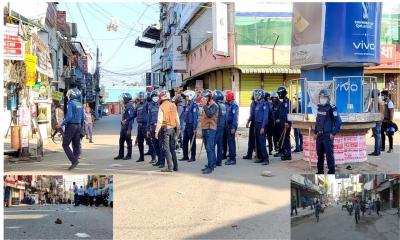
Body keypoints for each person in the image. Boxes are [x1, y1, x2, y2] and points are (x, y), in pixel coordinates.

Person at [314, 89, 342, 174]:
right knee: (320, 155)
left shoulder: (332, 108)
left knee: (329, 155)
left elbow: (338, 122)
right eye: (321, 97)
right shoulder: (319, 108)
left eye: (324, 97)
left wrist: (333, 133)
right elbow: (318, 121)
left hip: (327, 136)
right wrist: (315, 132)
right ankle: (320, 171)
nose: (322, 98)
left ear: (328, 98)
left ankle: (331, 172)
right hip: (319, 136)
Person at [58, 88, 84, 170]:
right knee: (76, 144)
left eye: (69, 94)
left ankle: (74, 161)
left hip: (71, 126)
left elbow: (69, 116)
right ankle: (75, 159)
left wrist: (61, 124)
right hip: (79, 126)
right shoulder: (80, 104)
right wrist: (81, 127)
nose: (68, 96)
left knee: (65, 144)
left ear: (72, 95)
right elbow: (82, 118)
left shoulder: (70, 103)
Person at [155, 90, 180, 172]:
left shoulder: (161, 106)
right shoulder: (173, 105)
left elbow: (159, 121)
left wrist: (156, 131)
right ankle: (176, 166)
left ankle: (170, 167)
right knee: (172, 149)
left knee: (166, 149)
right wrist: (178, 131)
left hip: (165, 129)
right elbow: (177, 119)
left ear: (162, 97)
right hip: (172, 129)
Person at [199, 89, 219, 174]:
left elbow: (210, 114)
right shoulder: (206, 105)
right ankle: (211, 164)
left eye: (205, 97)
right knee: (208, 149)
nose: (204, 99)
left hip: (210, 129)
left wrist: (204, 106)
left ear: (210, 97)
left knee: (210, 148)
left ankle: (210, 167)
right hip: (205, 129)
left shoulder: (214, 105)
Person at [114, 93, 134, 160]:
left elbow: (131, 118)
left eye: (123, 99)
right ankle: (121, 155)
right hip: (123, 127)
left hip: (127, 127)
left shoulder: (129, 107)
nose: (122, 100)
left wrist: (129, 129)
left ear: (126, 99)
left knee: (128, 141)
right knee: (121, 141)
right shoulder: (126, 106)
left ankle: (129, 155)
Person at [180, 90, 198, 162]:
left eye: (187, 96)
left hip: (191, 126)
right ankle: (185, 156)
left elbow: (195, 118)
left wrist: (194, 128)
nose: (186, 98)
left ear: (190, 96)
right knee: (184, 141)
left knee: (192, 142)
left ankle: (193, 157)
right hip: (187, 125)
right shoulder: (187, 105)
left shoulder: (194, 105)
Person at [253, 89, 270, 165]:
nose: (255, 96)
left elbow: (265, 117)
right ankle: (260, 157)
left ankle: (266, 159)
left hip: (261, 125)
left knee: (262, 142)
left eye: (257, 95)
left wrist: (263, 127)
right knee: (257, 142)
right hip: (257, 125)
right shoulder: (257, 104)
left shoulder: (265, 104)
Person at [132, 92, 150, 162]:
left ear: (144, 97)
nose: (141, 98)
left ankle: (154, 158)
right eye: (140, 97)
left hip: (146, 126)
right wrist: (126, 120)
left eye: (142, 97)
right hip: (139, 126)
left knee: (149, 141)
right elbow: (134, 115)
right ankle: (141, 157)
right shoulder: (137, 105)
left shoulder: (147, 105)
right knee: (140, 142)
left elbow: (150, 114)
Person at [276, 86, 292, 161]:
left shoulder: (287, 102)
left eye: (280, 93)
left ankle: (288, 154)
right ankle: (285, 153)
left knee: (286, 138)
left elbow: (288, 113)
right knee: (283, 138)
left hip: (286, 123)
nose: (279, 95)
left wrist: (287, 122)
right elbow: (280, 112)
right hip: (281, 122)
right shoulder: (281, 102)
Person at [225, 90, 239, 165]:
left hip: (231, 125)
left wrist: (233, 127)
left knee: (231, 142)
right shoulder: (228, 104)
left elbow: (235, 118)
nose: (225, 97)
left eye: (226, 96)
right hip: (227, 125)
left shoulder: (234, 105)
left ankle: (232, 159)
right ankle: (231, 156)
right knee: (229, 142)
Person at [369, 89, 385, 156]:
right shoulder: (380, 101)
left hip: (377, 120)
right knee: (378, 135)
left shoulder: (376, 102)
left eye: (372, 94)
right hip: (379, 120)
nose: (371, 95)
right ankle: (378, 150)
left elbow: (370, 110)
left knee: (377, 136)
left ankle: (377, 151)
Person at [213, 90, 227, 167]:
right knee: (220, 145)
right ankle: (219, 161)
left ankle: (213, 162)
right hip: (222, 127)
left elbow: (215, 116)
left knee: (212, 145)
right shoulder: (223, 105)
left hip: (216, 127)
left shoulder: (216, 105)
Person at [146, 90, 160, 164]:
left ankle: (162, 161)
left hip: (160, 128)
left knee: (161, 145)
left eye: (156, 96)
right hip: (152, 127)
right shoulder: (150, 107)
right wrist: (148, 129)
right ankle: (157, 159)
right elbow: (148, 118)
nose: (155, 97)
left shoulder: (161, 105)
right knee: (155, 144)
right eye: (154, 96)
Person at [243, 91, 256, 160]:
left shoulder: (258, 104)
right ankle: (249, 154)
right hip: (253, 123)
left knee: (256, 139)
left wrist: (248, 121)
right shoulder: (253, 103)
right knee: (251, 139)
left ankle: (257, 154)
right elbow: (251, 114)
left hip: (256, 123)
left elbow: (253, 114)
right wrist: (248, 121)